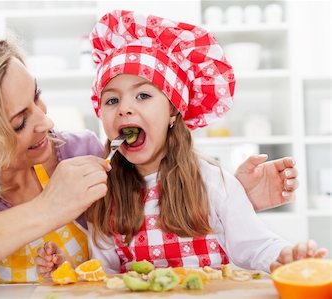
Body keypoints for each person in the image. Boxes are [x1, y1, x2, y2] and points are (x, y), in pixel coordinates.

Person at [0, 25, 297, 299]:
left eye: (37, 97)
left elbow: (154, 196)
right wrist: (47, 210)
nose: (46, 121)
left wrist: (228, 198)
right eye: (20, 120)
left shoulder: (79, 151)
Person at [36, 10, 326, 276]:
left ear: (173, 111)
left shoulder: (213, 181)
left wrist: (285, 256)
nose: (124, 108)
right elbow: (106, 272)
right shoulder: (105, 195)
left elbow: (255, 245)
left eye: (143, 96)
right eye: (112, 99)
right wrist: (69, 271)